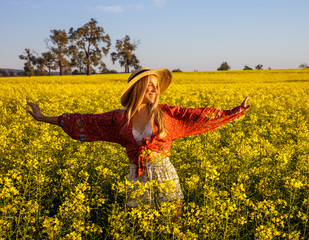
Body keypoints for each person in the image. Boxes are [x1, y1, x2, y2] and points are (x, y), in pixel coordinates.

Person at [27, 67, 250, 222]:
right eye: (149, 85)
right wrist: (44, 117)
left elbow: (198, 116)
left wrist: (235, 111)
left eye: (156, 86)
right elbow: (85, 121)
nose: (155, 89)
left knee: (173, 224)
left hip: (166, 176)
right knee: (138, 227)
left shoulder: (167, 114)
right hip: (138, 176)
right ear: (138, 89)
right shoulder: (118, 119)